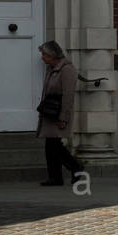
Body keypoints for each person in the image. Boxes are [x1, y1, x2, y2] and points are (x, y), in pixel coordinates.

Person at [36, 41, 85, 186]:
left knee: (54, 145)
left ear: (53, 55)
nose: (42, 57)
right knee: (50, 144)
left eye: (44, 54)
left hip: (58, 112)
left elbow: (68, 95)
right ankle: (55, 177)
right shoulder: (51, 69)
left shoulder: (67, 69)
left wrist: (63, 117)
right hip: (49, 112)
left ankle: (76, 167)